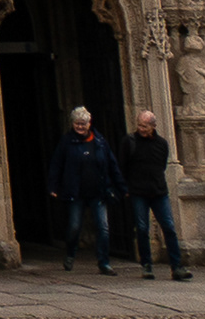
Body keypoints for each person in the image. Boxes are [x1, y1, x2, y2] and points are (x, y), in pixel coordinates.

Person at [46, 103, 125, 271]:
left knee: (103, 227)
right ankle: (70, 253)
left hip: (98, 191)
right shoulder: (67, 142)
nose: (80, 127)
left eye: (83, 123)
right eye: (77, 124)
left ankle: (104, 262)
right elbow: (57, 164)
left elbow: (112, 164)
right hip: (76, 192)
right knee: (74, 227)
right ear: (72, 124)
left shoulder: (99, 141)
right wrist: (53, 186)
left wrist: (122, 187)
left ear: (89, 124)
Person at [124, 108, 190, 280]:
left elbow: (162, 165)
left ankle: (176, 266)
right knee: (142, 228)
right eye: (139, 125)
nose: (141, 129)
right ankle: (146, 264)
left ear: (153, 126)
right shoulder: (130, 141)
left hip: (159, 191)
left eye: (145, 126)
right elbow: (123, 165)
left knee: (169, 227)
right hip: (138, 192)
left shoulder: (161, 143)